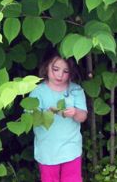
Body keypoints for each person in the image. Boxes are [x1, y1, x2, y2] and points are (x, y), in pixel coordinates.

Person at [29, 51, 88, 182]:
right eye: (55, 69)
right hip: (47, 151)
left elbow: (82, 117)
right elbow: (30, 120)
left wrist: (75, 113)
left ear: (71, 72)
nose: (60, 75)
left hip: (71, 149)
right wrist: (48, 113)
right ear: (46, 67)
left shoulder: (76, 90)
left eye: (65, 71)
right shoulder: (37, 92)